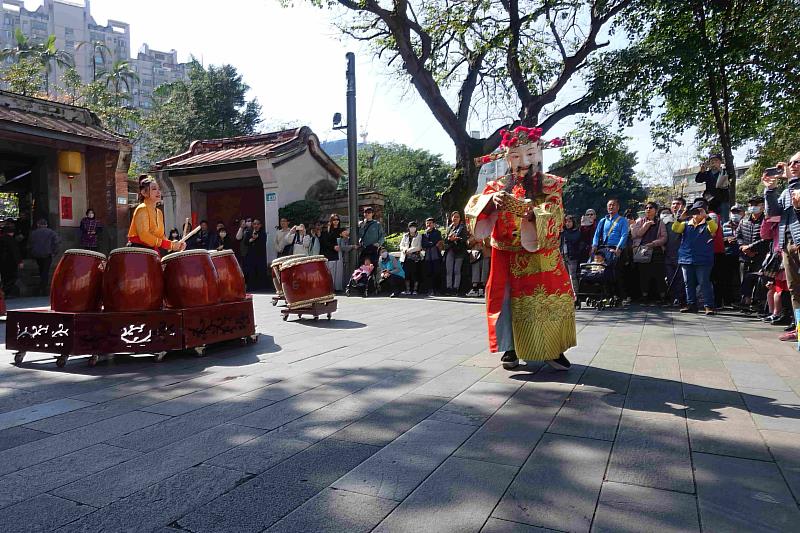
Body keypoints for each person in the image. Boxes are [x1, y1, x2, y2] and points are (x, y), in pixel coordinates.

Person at [465, 125, 575, 371]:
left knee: (545, 301)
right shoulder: (496, 186)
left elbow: (555, 215)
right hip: (505, 252)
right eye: (515, 156)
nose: (524, 162)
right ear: (507, 158)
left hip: (540, 254)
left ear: (539, 153)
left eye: (529, 154)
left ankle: (552, 348)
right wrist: (489, 203)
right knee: (505, 302)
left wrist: (530, 213)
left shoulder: (551, 184)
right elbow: (474, 208)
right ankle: (510, 348)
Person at [763, 152, 800, 342]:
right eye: (790, 162)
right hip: (787, 244)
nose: (791, 165)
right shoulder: (787, 191)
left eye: (796, 162)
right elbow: (773, 214)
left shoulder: (794, 186)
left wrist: (791, 180)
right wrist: (770, 190)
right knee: (795, 288)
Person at [673, 198, 718, 315]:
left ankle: (709, 306)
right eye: (695, 211)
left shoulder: (708, 223)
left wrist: (706, 216)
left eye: (700, 211)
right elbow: (675, 229)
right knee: (688, 283)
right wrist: (680, 218)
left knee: (704, 282)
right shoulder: (685, 224)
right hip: (686, 258)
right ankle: (691, 304)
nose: (696, 214)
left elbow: (714, 229)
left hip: (703, 259)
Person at [128, 176, 185, 254]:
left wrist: (175, 245)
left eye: (159, 189)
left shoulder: (159, 212)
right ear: (144, 192)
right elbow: (144, 235)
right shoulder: (142, 209)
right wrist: (169, 244)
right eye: (154, 189)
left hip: (154, 251)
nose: (158, 192)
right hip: (139, 251)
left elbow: (161, 237)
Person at [591, 198, 630, 301]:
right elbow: (597, 234)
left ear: (618, 207)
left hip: (616, 248)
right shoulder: (603, 220)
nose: (611, 207)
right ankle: (605, 294)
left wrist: (619, 247)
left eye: (613, 205)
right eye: (609, 205)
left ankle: (619, 296)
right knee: (601, 270)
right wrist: (594, 245)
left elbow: (624, 235)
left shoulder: (623, 221)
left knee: (616, 272)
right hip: (604, 249)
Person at [631, 201, 667, 303]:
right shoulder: (640, 221)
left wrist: (653, 243)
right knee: (643, 274)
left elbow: (664, 238)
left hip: (656, 250)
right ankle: (644, 296)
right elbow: (635, 235)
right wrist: (645, 226)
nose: (648, 209)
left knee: (659, 274)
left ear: (655, 210)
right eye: (646, 208)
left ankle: (662, 296)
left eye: (650, 207)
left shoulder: (660, 222)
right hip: (642, 250)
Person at [737, 197, 768, 312]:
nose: (752, 207)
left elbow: (766, 238)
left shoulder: (767, 220)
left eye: (756, 204)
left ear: (762, 206)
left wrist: (751, 247)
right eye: (751, 204)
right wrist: (743, 247)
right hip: (745, 256)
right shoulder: (744, 220)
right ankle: (746, 302)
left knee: (760, 280)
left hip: (761, 255)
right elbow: (738, 236)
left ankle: (760, 304)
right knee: (745, 279)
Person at [661, 200, 686, 307]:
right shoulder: (665, 220)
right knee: (670, 277)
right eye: (673, 204)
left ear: (683, 206)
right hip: (668, 253)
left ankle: (681, 299)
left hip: (682, 254)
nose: (675, 206)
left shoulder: (689, 219)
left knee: (681, 278)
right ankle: (673, 298)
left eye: (678, 204)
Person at [28, 218, 60, 296]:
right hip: (47, 254)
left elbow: (30, 244)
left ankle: (41, 287)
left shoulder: (33, 233)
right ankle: (43, 288)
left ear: (38, 225)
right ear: (46, 225)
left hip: (37, 254)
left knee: (41, 269)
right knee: (45, 271)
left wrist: (32, 252)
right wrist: (54, 252)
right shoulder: (51, 232)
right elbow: (56, 243)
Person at [695, 153, 730, 222]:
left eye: (716, 160)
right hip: (710, 201)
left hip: (722, 201)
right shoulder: (707, 173)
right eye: (711, 161)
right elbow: (698, 180)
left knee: (724, 222)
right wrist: (701, 171)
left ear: (720, 161)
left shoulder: (725, 171)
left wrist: (720, 169)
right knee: (710, 221)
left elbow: (727, 179)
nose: (714, 162)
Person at [444, 211, 469, 295]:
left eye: (457, 217)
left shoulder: (463, 227)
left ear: (460, 218)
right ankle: (449, 287)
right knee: (449, 270)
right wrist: (449, 239)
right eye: (454, 217)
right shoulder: (449, 227)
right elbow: (445, 240)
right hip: (450, 250)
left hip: (459, 251)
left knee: (456, 270)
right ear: (451, 218)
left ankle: (456, 288)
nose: (455, 218)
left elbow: (465, 239)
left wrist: (457, 238)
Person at [242, 218, 268, 291]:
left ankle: (262, 287)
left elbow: (263, 243)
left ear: (260, 225)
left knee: (260, 270)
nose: (256, 225)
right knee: (251, 271)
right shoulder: (248, 232)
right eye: (254, 224)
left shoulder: (263, 233)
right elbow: (245, 242)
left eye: (257, 224)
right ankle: (251, 286)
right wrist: (252, 239)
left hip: (260, 255)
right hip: (251, 255)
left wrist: (257, 238)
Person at [399, 220, 423, 295]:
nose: (412, 228)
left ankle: (415, 290)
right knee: (406, 274)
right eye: (411, 227)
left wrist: (409, 250)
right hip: (405, 257)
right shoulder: (405, 235)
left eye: (414, 227)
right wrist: (404, 249)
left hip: (414, 258)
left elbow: (419, 247)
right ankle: (407, 289)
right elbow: (401, 245)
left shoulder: (419, 235)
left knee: (414, 274)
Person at [421, 217, 443, 295]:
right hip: (427, 256)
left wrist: (430, 244)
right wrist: (431, 243)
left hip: (436, 255)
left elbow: (437, 242)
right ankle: (430, 289)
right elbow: (424, 245)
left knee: (436, 272)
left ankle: (437, 289)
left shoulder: (437, 232)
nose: (429, 224)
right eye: (427, 223)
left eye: (430, 223)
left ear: (433, 224)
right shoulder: (424, 234)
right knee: (428, 273)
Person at [320, 214, 344, 290]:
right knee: (331, 271)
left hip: (339, 253)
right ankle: (330, 287)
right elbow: (325, 242)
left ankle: (337, 288)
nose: (336, 221)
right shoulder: (327, 231)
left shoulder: (341, 230)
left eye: (337, 220)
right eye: (334, 220)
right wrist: (333, 247)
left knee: (339, 271)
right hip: (330, 254)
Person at [561, 214, 582, 292]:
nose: (567, 223)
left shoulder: (576, 231)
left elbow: (573, 239)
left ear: (573, 222)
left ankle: (575, 294)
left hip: (572, 257)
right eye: (566, 222)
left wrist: (564, 233)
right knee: (563, 277)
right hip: (563, 256)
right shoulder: (563, 232)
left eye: (569, 221)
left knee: (572, 276)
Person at [0, 222, 22, 297]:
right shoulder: (11, 240)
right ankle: (6, 292)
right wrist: (19, 261)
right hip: (10, 262)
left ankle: (4, 291)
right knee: (12, 277)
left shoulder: (1, 239)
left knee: (4, 277)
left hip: (2, 262)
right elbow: (15, 251)